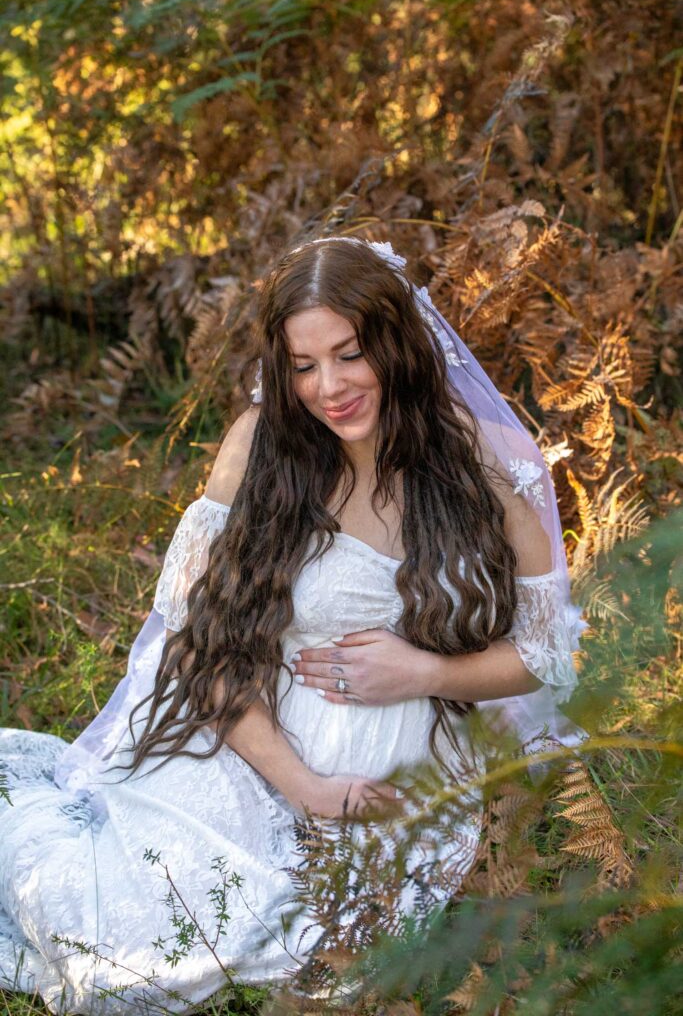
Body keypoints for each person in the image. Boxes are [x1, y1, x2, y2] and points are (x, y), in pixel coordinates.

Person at [0, 237, 587, 1014]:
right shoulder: (262, 448)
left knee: (324, 953)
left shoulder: (488, 460)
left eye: (348, 355)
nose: (330, 388)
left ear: (396, 343)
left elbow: (547, 656)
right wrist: (306, 787)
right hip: (254, 751)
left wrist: (429, 673)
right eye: (303, 365)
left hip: (401, 776)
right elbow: (197, 652)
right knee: (113, 940)